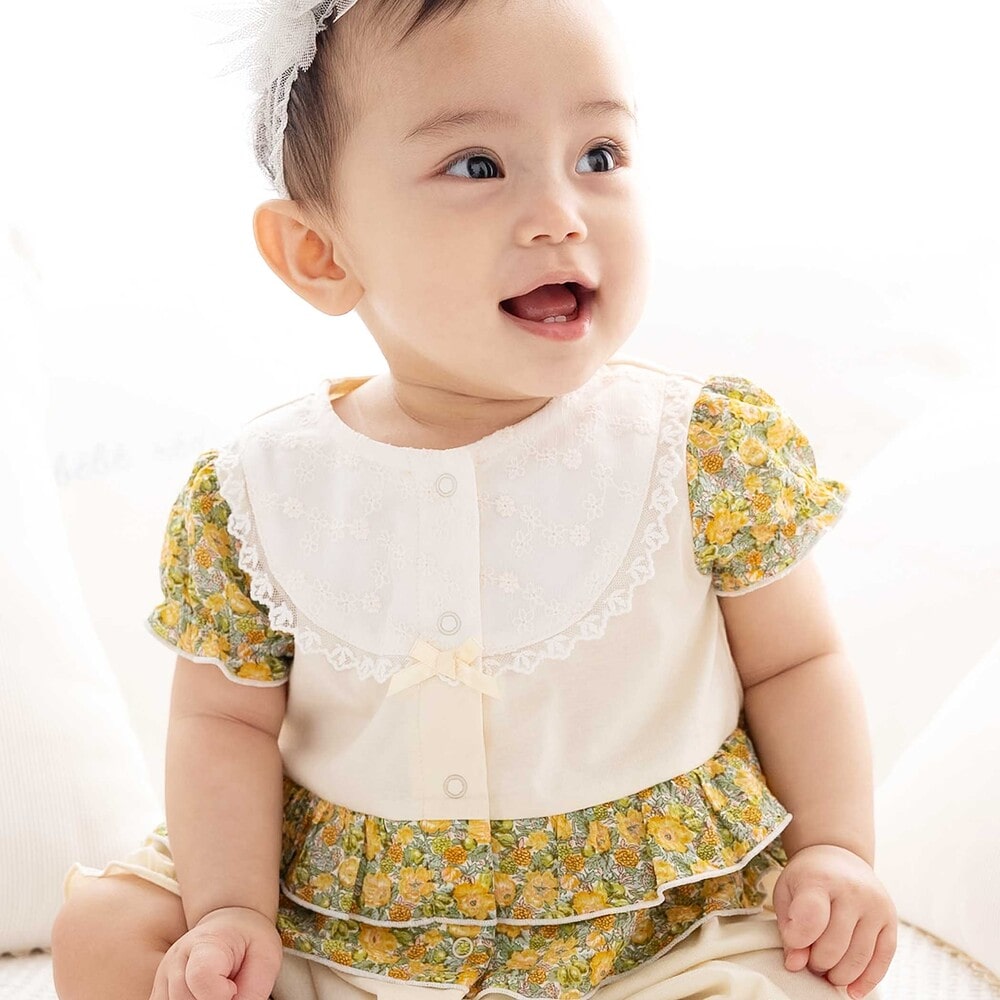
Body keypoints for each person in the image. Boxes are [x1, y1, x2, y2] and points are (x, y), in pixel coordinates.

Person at [51, 0, 897, 997]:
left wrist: (834, 848)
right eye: (478, 166)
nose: (560, 212)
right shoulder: (259, 494)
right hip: (343, 923)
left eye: (597, 155)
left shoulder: (695, 450)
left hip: (657, 933)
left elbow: (796, 662)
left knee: (788, 981)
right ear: (322, 253)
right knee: (107, 934)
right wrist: (232, 908)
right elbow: (223, 724)